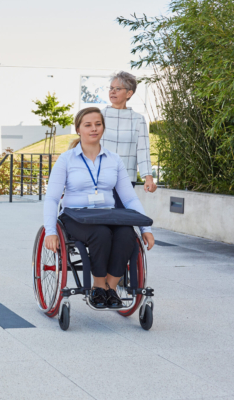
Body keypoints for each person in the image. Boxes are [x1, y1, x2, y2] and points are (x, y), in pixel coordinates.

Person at [44, 107, 154, 308]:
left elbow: (129, 199)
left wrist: (145, 229)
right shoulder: (66, 159)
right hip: (75, 216)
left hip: (108, 214)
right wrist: (50, 232)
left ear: (103, 127)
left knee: (127, 235)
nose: (94, 129)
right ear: (78, 129)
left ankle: (109, 289)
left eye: (98, 124)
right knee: (101, 234)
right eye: (88, 125)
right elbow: (51, 198)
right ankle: (97, 286)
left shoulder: (114, 159)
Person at [101, 71, 157, 208]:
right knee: (101, 218)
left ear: (129, 93)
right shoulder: (99, 116)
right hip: (100, 177)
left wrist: (148, 177)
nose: (112, 92)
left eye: (118, 89)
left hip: (125, 178)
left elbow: (143, 150)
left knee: (119, 218)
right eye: (111, 88)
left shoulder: (138, 119)